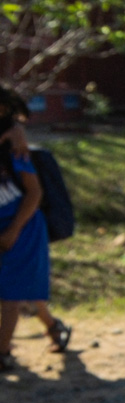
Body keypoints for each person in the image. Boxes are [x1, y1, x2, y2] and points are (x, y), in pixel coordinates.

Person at [0, 89, 71, 372]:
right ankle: (53, 326)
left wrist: (13, 231)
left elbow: (34, 193)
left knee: (12, 294)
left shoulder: (13, 150)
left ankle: (2, 353)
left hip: (23, 227)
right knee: (21, 288)